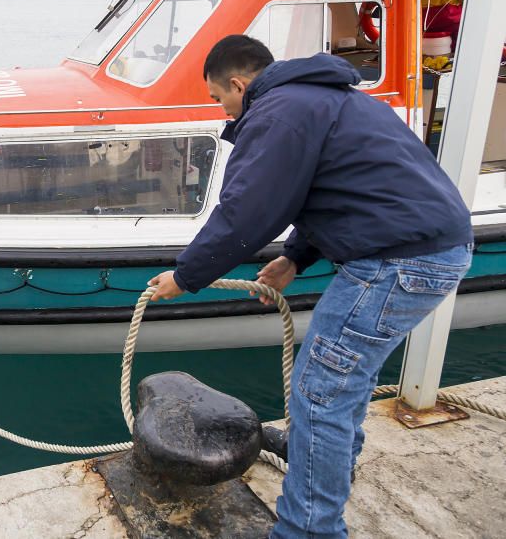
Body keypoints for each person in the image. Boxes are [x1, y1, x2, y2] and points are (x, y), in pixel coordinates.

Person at [148, 35, 472, 538]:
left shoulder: (278, 113)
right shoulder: (325, 96)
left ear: (237, 83)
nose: (223, 110)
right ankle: (332, 474)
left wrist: (186, 276)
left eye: (219, 99)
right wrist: (296, 257)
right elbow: (343, 183)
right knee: (345, 384)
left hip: (398, 261)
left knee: (320, 397)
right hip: (432, 248)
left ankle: (309, 529)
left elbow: (247, 211)